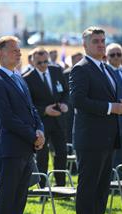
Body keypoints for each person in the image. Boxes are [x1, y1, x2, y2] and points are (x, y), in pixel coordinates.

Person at [69, 26, 122, 214]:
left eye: (103, 40)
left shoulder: (107, 68)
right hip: (91, 140)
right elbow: (78, 100)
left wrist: (118, 105)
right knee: (88, 189)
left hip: (109, 139)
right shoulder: (81, 68)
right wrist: (112, 107)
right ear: (85, 45)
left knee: (102, 190)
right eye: (96, 41)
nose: (101, 44)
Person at [0, 36, 45, 214]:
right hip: (11, 150)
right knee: (7, 201)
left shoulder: (18, 77)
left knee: (19, 201)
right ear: (1, 53)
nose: (19, 53)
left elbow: (32, 109)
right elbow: (7, 118)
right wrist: (33, 136)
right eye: (14, 50)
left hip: (26, 149)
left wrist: (40, 131)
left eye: (19, 50)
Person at [24, 47, 69, 187]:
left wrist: (65, 104)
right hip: (41, 123)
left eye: (45, 62)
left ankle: (60, 185)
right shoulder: (27, 78)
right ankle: (42, 187)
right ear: (33, 62)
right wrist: (44, 110)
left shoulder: (56, 71)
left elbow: (66, 91)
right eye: (40, 63)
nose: (43, 65)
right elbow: (27, 104)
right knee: (42, 156)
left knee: (61, 153)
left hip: (59, 120)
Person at [106, 43, 122, 179]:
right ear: (107, 56)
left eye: (119, 54)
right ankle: (111, 183)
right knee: (111, 154)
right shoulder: (105, 72)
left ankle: (119, 182)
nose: (116, 57)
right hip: (112, 120)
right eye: (112, 55)